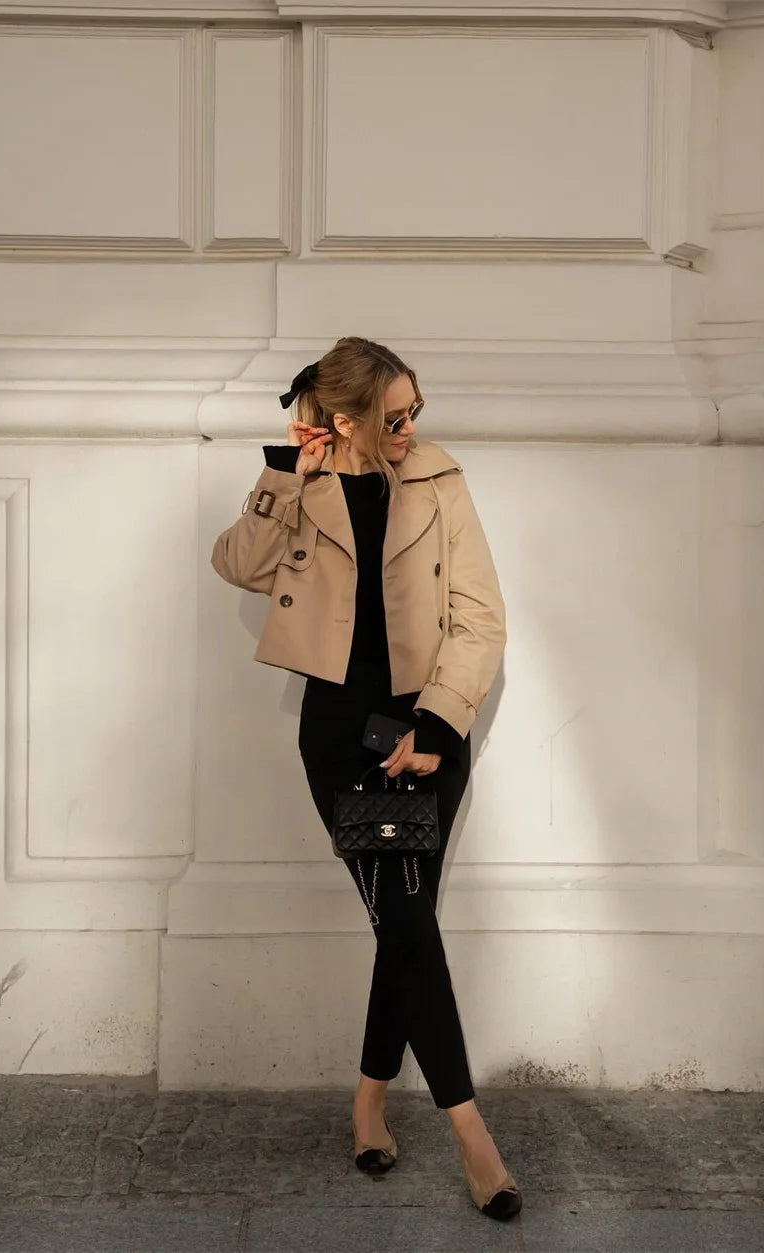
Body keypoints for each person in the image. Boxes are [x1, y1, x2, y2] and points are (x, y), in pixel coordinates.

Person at [209, 335, 520, 1221]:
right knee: (408, 915)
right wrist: (282, 476)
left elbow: (480, 616)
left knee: (404, 917)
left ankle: (369, 1101)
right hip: (348, 738)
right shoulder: (300, 486)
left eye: (416, 410)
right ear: (344, 418)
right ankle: (471, 1133)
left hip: (429, 730)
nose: (411, 427)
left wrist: (435, 721)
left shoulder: (437, 478)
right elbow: (238, 564)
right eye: (395, 415)